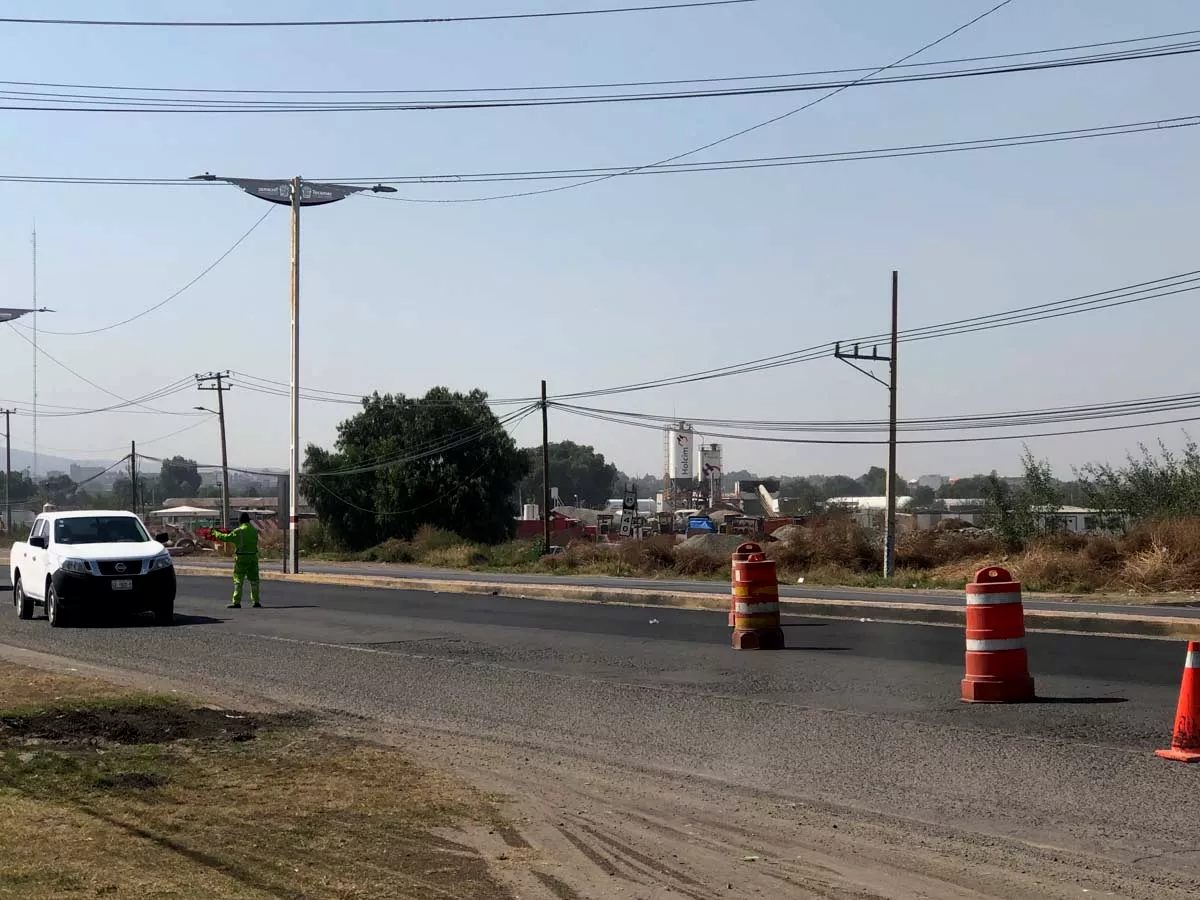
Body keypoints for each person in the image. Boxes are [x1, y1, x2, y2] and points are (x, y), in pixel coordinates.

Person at [210, 512, 261, 609]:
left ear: (240, 521)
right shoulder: (254, 530)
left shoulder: (239, 531)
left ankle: (236, 602)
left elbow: (226, 538)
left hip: (241, 558)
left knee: (238, 580)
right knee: (254, 580)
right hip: (253, 557)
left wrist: (215, 533)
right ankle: (256, 601)